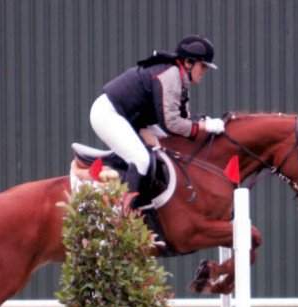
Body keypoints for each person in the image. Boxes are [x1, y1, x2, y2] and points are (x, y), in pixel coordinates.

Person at [89, 35, 225, 193]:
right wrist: (203, 126)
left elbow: (182, 121)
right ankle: (124, 214)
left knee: (166, 147)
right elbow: (172, 124)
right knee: (141, 160)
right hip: (108, 113)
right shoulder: (170, 76)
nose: (206, 70)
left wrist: (202, 122)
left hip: (130, 118)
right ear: (188, 62)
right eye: (203, 66)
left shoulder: (180, 79)